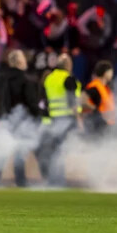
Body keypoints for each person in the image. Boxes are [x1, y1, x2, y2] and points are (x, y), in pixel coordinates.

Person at [0, 50, 41, 187]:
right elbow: (31, 104)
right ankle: (21, 181)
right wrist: (40, 114)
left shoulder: (0, 79)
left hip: (2, 120)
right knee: (20, 151)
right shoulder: (26, 80)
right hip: (20, 122)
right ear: (21, 61)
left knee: (2, 151)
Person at [36, 53, 81, 186]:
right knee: (61, 152)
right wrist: (78, 119)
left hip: (52, 120)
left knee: (53, 151)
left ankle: (52, 180)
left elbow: (43, 101)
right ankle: (59, 181)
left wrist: (46, 119)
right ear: (68, 65)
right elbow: (72, 100)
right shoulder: (69, 78)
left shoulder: (48, 79)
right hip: (66, 120)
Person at [83, 60, 115, 133]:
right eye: (111, 71)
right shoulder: (95, 87)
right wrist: (96, 111)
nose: (112, 73)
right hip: (98, 128)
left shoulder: (105, 87)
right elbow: (82, 100)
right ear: (106, 72)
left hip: (107, 127)